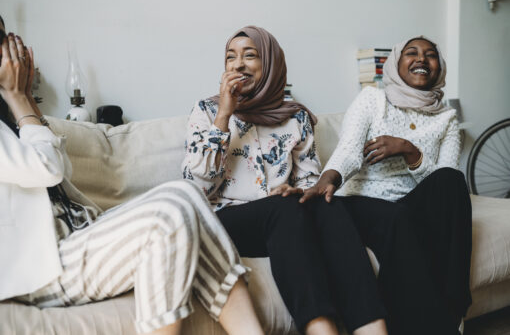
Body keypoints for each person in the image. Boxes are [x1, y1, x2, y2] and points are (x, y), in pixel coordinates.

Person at [0, 18, 264, 335]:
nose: (11, 49)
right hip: (40, 269)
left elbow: (58, 174)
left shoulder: (12, 118)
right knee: (166, 215)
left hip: (75, 239)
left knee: (185, 194)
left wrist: (24, 100)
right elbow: (47, 168)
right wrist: (17, 98)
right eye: (2, 40)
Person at [182, 25, 387, 335]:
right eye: (230, 57)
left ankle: (372, 330)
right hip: (222, 222)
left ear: (270, 65)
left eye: (250, 56)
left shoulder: (296, 118)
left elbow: (310, 180)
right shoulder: (207, 111)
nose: (238, 64)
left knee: (326, 202)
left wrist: (299, 189)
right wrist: (224, 115)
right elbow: (198, 187)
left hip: (283, 223)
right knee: (284, 207)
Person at [301, 36, 472, 335]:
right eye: (411, 53)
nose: (421, 59)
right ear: (395, 62)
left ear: (439, 67)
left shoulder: (446, 118)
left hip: (408, 204)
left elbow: (442, 185)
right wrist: (327, 179)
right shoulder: (372, 99)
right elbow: (349, 150)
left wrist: (410, 151)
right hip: (360, 202)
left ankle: (455, 305)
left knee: (452, 180)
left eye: (431, 55)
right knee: (398, 218)